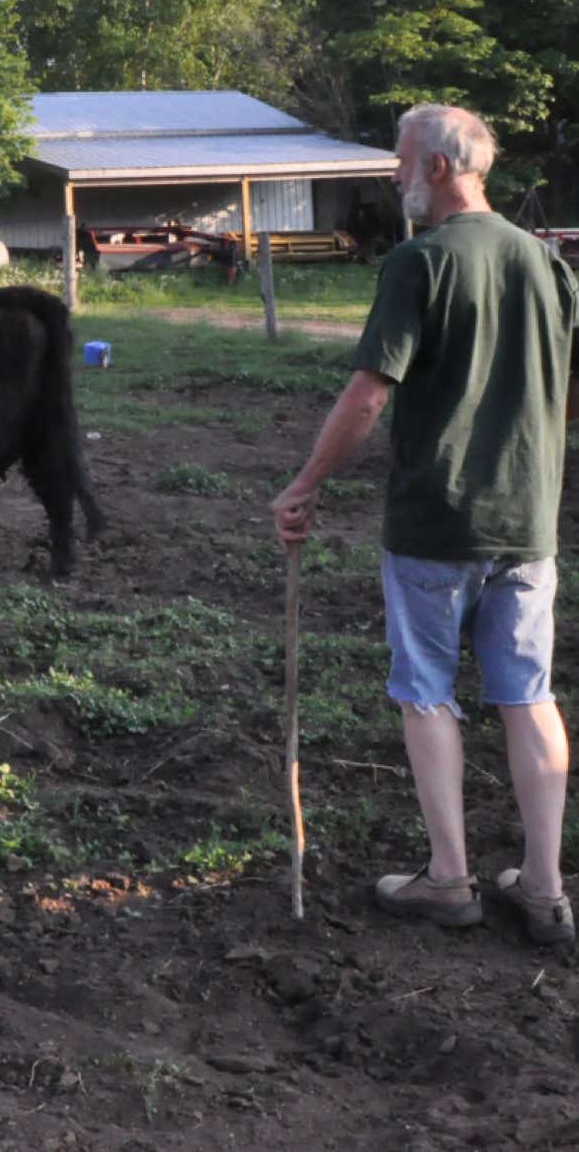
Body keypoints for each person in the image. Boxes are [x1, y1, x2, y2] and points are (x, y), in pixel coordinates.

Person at [272, 103, 578, 946]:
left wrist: (304, 485)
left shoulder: (421, 263)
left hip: (436, 523)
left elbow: (371, 393)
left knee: (427, 693)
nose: (394, 175)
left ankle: (449, 879)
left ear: (438, 168)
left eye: (401, 161)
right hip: (528, 523)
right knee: (527, 694)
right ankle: (545, 888)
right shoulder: (548, 264)